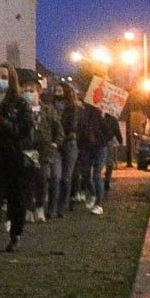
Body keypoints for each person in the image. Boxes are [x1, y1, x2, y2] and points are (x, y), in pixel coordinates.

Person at [0, 64, 33, 251]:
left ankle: (16, 234)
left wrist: (2, 122)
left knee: (15, 197)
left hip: (13, 155)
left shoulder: (20, 103)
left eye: (4, 77)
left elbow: (24, 130)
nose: (0, 80)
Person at [23, 80, 62, 223]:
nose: (28, 94)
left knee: (42, 178)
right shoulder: (22, 109)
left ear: (38, 92)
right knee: (28, 180)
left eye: (31, 91)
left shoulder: (48, 110)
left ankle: (40, 207)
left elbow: (58, 128)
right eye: (25, 91)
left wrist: (55, 143)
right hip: (27, 149)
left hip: (44, 150)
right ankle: (28, 209)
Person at [51, 81, 82, 217]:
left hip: (69, 143)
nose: (57, 94)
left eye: (60, 91)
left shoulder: (73, 108)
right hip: (56, 144)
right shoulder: (50, 107)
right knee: (55, 176)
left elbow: (73, 126)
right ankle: (52, 208)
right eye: (56, 91)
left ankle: (62, 207)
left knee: (66, 178)